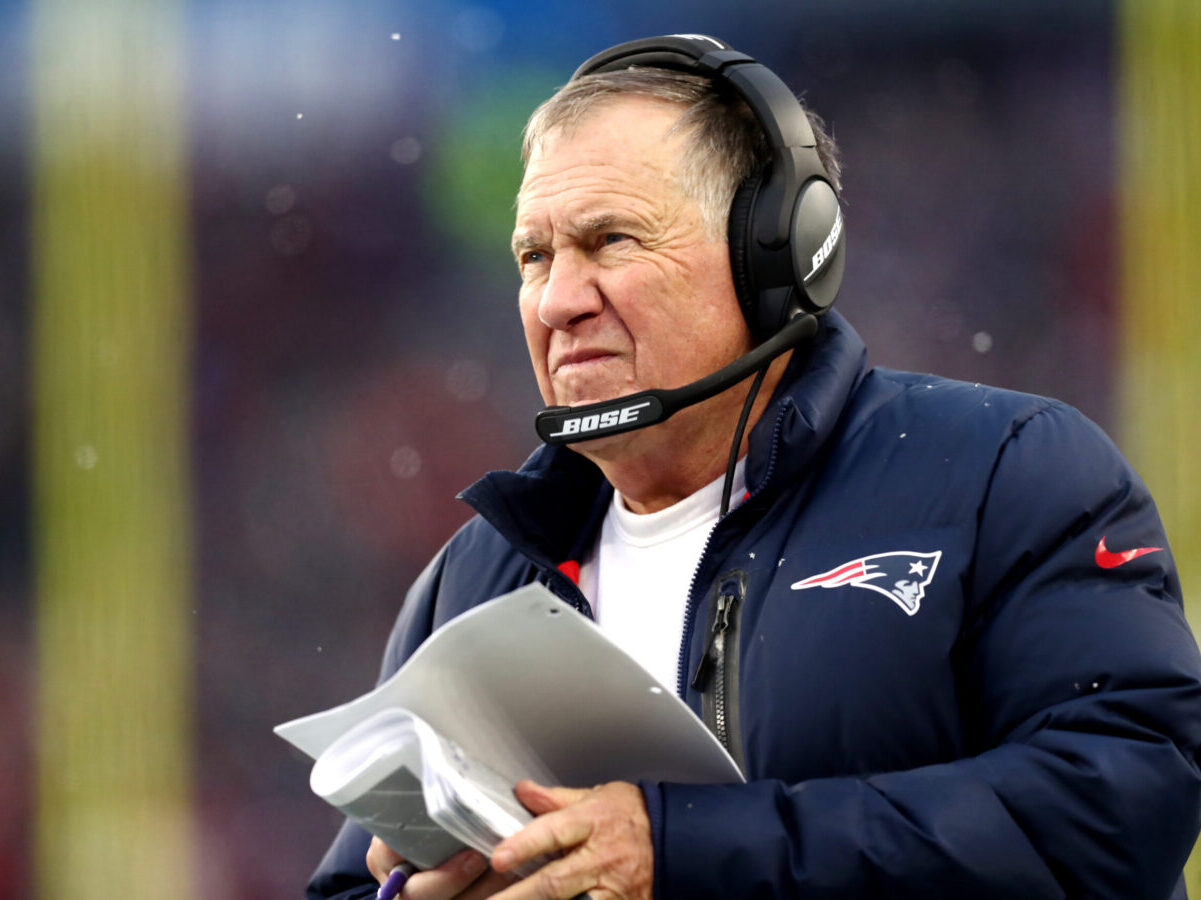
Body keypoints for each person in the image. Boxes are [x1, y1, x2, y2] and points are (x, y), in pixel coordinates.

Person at [307, 35, 1201, 899]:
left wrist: (684, 851)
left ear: (774, 256)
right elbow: (353, 884)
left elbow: (1116, 808)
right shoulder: (473, 576)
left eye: (610, 240)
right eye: (533, 256)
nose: (557, 300)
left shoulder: (1002, 474)